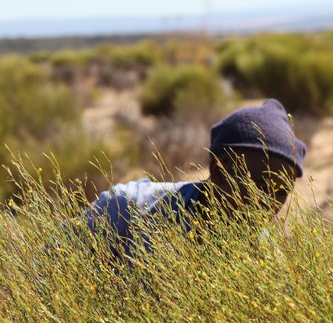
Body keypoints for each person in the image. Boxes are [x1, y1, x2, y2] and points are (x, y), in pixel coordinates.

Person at [82, 98, 307, 258]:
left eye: (280, 191)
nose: (267, 202)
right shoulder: (124, 209)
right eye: (257, 185)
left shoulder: (266, 262)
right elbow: (49, 276)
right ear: (218, 171)